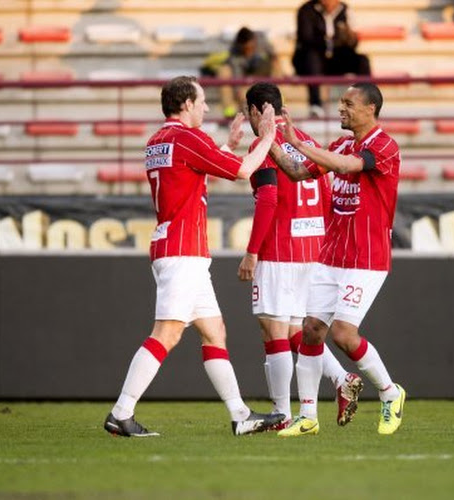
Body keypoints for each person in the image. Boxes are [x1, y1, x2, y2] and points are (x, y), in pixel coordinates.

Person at [104, 76, 284, 437]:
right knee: (167, 333)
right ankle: (121, 412)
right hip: (182, 251)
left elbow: (190, 175)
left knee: (214, 331)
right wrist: (266, 137)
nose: (206, 108)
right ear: (185, 103)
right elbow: (243, 171)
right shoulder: (187, 137)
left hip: (179, 247)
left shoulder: (159, 140)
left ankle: (240, 415)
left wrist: (227, 145)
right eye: (202, 101)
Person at [267, 82, 406, 437]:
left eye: (348, 103)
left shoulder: (384, 146)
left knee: (344, 333)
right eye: (341, 102)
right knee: (312, 331)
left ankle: (390, 392)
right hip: (332, 254)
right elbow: (298, 172)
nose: (341, 108)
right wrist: (271, 142)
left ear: (370, 109)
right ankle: (308, 416)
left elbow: (348, 165)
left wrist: (298, 143)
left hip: (366, 257)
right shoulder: (340, 143)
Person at [238, 82, 364, 429]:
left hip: (279, 251)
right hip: (313, 249)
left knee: (273, 331)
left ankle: (282, 413)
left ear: (255, 111)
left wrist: (252, 252)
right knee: (297, 330)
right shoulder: (304, 140)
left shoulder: (265, 143)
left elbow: (267, 199)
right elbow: (325, 190)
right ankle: (341, 379)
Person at [292, 0, 371, 118]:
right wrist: (331, 41)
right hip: (311, 61)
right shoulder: (306, 10)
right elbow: (306, 39)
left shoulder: (345, 10)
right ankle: (315, 105)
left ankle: (366, 103)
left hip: (336, 59)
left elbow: (353, 43)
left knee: (362, 60)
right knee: (312, 57)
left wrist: (350, 38)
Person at [200, 27, 282, 118]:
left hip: (262, 72)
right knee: (224, 70)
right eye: (245, 49)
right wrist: (239, 91)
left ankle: (278, 103)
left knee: (276, 65)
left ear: (254, 41)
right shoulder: (235, 52)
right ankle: (230, 112)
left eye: (250, 48)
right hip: (245, 77)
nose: (248, 52)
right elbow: (237, 75)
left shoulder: (262, 41)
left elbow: (274, 56)